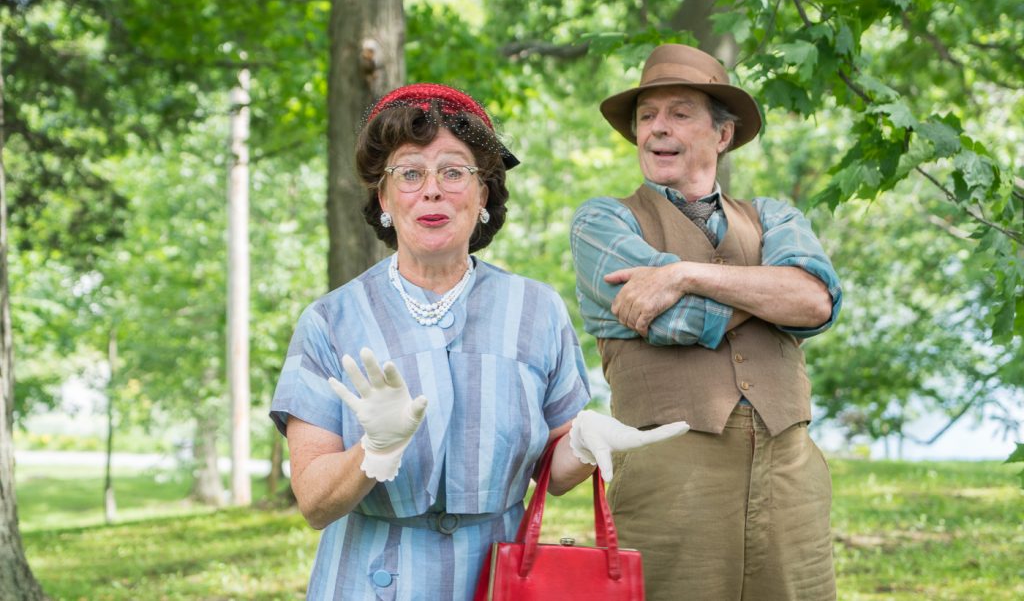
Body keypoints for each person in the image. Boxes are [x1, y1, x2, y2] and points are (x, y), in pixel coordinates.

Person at [270, 82, 688, 601]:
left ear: (483, 194)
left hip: (499, 580)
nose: (432, 190)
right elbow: (313, 501)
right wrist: (373, 453)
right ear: (383, 198)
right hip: (368, 579)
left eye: (453, 171)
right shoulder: (329, 321)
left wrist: (580, 444)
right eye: (409, 173)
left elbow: (553, 474)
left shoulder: (536, 310)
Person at [570, 44, 844, 601]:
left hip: (791, 476)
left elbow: (815, 303)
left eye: (679, 113)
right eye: (646, 117)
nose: (656, 129)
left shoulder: (775, 215)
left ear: (722, 135)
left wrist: (684, 274)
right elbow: (677, 320)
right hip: (670, 478)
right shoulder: (603, 221)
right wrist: (774, 291)